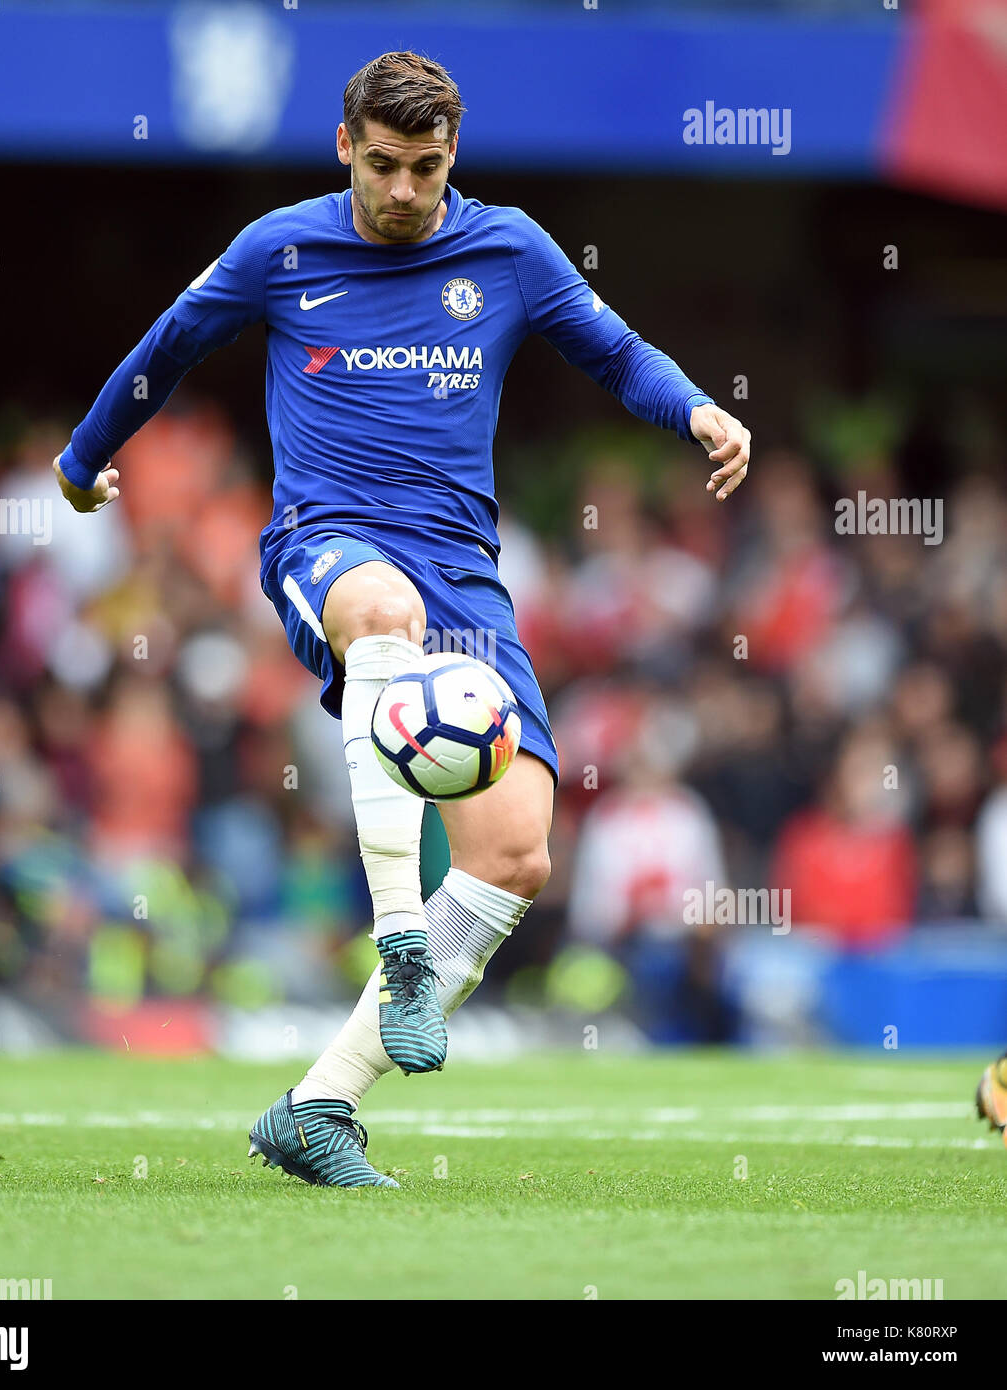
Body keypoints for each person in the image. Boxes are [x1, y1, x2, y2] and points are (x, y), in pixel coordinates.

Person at [52, 51, 751, 1187]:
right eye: (382, 165)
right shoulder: (281, 248)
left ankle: (317, 1106)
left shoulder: (509, 250)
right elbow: (167, 347)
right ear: (344, 148)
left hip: (462, 576)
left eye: (425, 168)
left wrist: (698, 411)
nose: (404, 192)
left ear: (451, 159)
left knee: (516, 851)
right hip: (326, 543)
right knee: (382, 606)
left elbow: (613, 355)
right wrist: (83, 464)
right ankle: (399, 936)